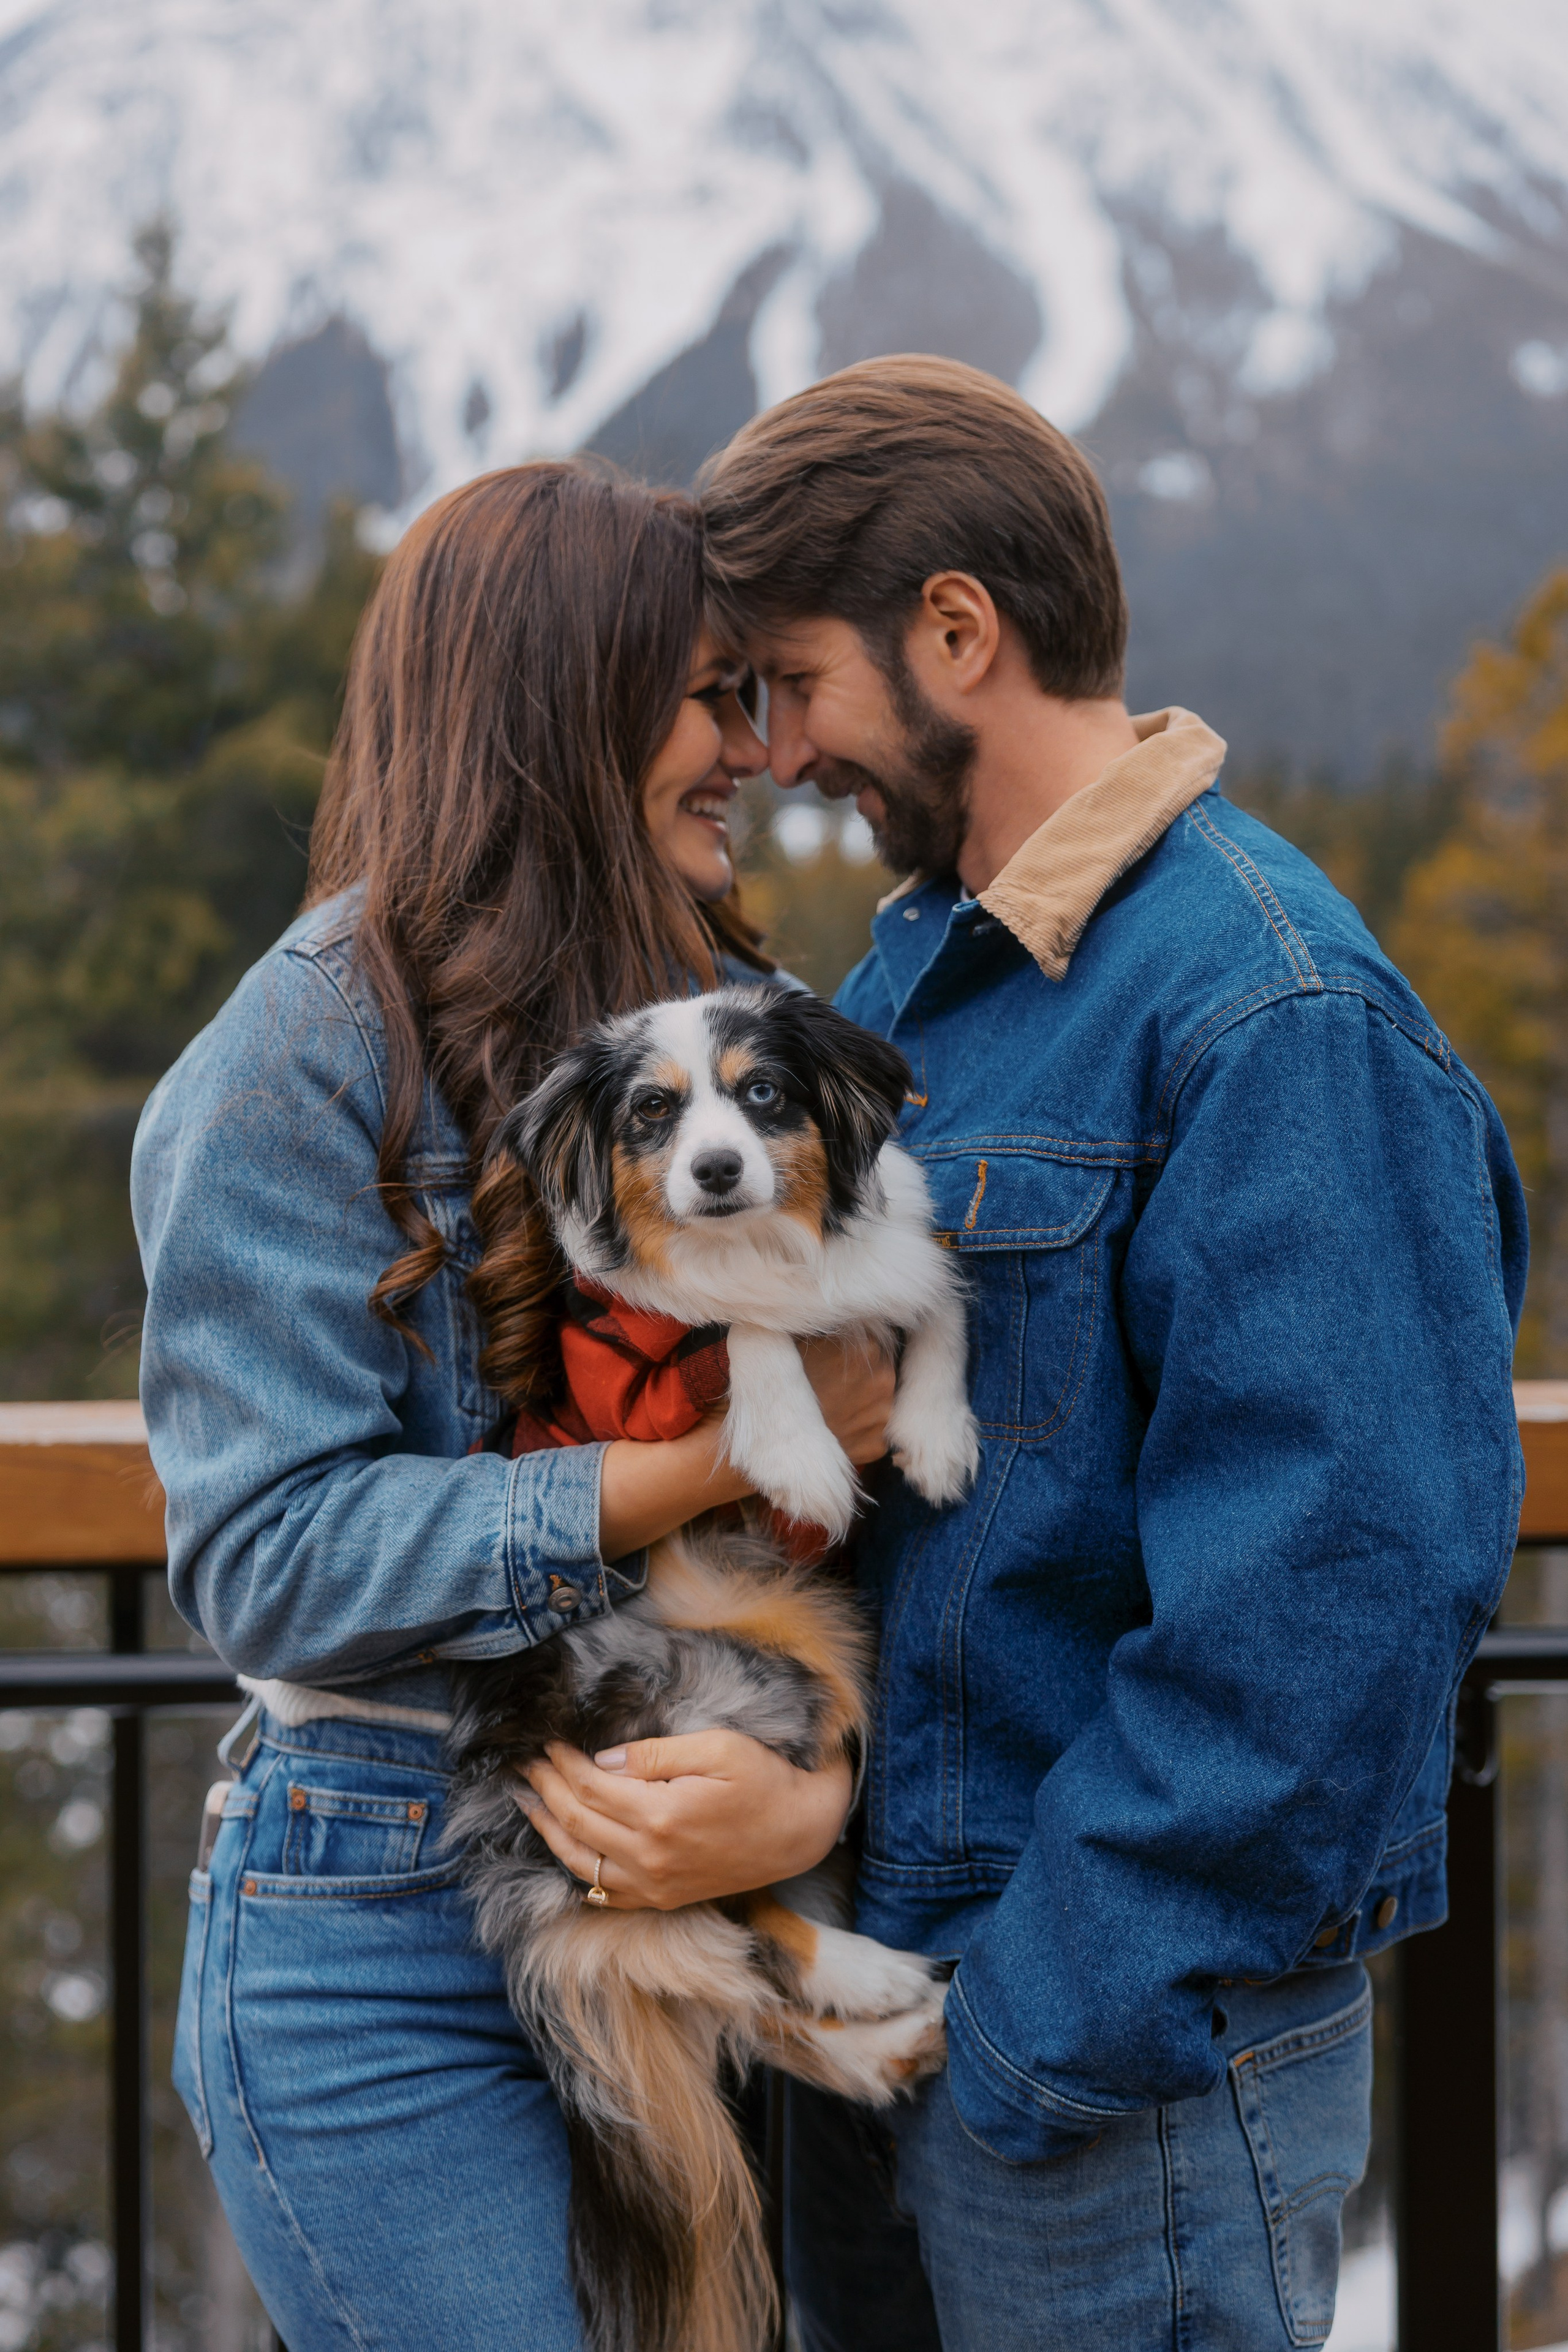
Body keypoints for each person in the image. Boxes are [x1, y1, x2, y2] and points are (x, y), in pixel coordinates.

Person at [695, 354, 1527, 2352]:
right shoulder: (925, 973)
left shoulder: (1272, 1007)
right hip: (887, 2038)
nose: (779, 747)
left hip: (1091, 2081)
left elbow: (1341, 1593)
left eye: (792, 680)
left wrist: (1033, 2026)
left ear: (956, 634)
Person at [132, 461, 892, 2350]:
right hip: (378, 1931)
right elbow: (268, 1557)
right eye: (708, 694)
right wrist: (688, 1467)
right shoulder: (300, 1058)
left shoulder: (717, 1022)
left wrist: (808, 1780)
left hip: (679, 1884)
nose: (753, 745)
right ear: (565, 700)